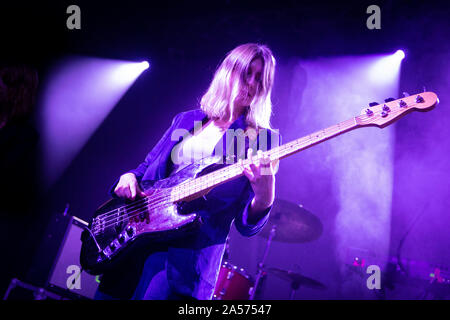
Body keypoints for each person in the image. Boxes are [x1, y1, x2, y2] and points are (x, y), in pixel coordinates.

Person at [94, 43, 281, 300]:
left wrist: (265, 196)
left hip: (181, 262)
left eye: (260, 79)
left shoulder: (259, 139)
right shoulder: (186, 120)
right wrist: (129, 177)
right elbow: (146, 168)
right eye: (247, 73)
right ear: (228, 71)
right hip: (133, 242)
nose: (252, 84)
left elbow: (245, 225)